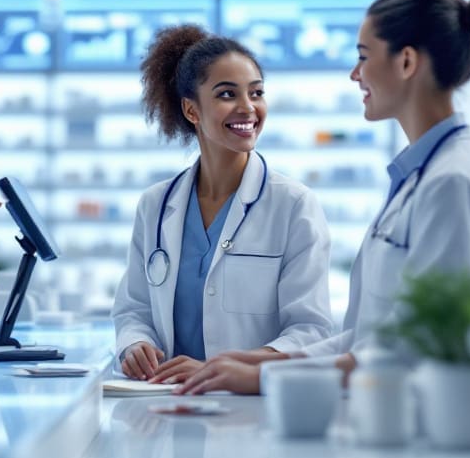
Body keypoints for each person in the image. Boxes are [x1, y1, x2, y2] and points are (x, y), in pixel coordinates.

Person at [175, 0, 470, 395]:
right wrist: (265, 359)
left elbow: (418, 346)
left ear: (406, 62)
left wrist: (265, 377)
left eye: (363, 57)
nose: (355, 74)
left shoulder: (455, 184)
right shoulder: (422, 178)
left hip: (444, 433)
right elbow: (368, 337)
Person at [114, 24, 334, 382]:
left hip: (252, 409)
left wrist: (224, 369)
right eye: (227, 94)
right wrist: (134, 343)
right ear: (191, 110)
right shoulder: (155, 205)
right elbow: (134, 308)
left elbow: (310, 329)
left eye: (257, 93)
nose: (248, 108)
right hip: (165, 401)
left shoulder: (293, 204)